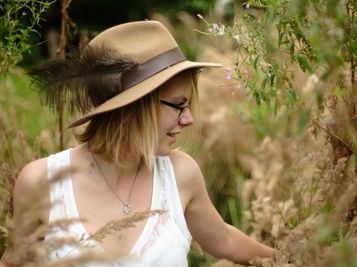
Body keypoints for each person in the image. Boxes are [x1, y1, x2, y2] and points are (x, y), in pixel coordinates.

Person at [1, 20, 274, 266]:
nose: (189, 119)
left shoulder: (180, 175)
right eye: (178, 105)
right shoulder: (42, 183)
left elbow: (224, 238)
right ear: (132, 108)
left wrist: (289, 259)